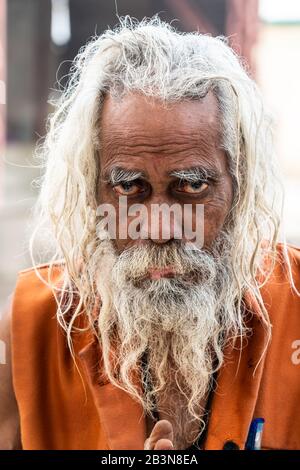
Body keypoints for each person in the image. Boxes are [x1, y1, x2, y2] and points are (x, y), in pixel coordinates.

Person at [1, 17, 300, 451]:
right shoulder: (31, 330)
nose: (159, 228)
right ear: (92, 190)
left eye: (192, 186)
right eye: (128, 187)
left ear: (239, 186)